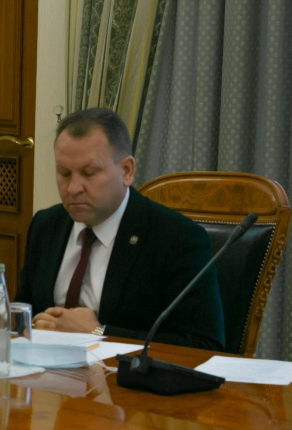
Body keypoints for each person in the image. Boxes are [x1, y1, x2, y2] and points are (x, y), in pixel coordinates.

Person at [16, 107, 225, 351]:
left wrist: (98, 333)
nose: (73, 188)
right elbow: (21, 317)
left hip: (123, 373)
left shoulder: (177, 239)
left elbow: (203, 345)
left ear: (126, 171)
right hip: (45, 369)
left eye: (88, 173)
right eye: (64, 173)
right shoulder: (45, 225)